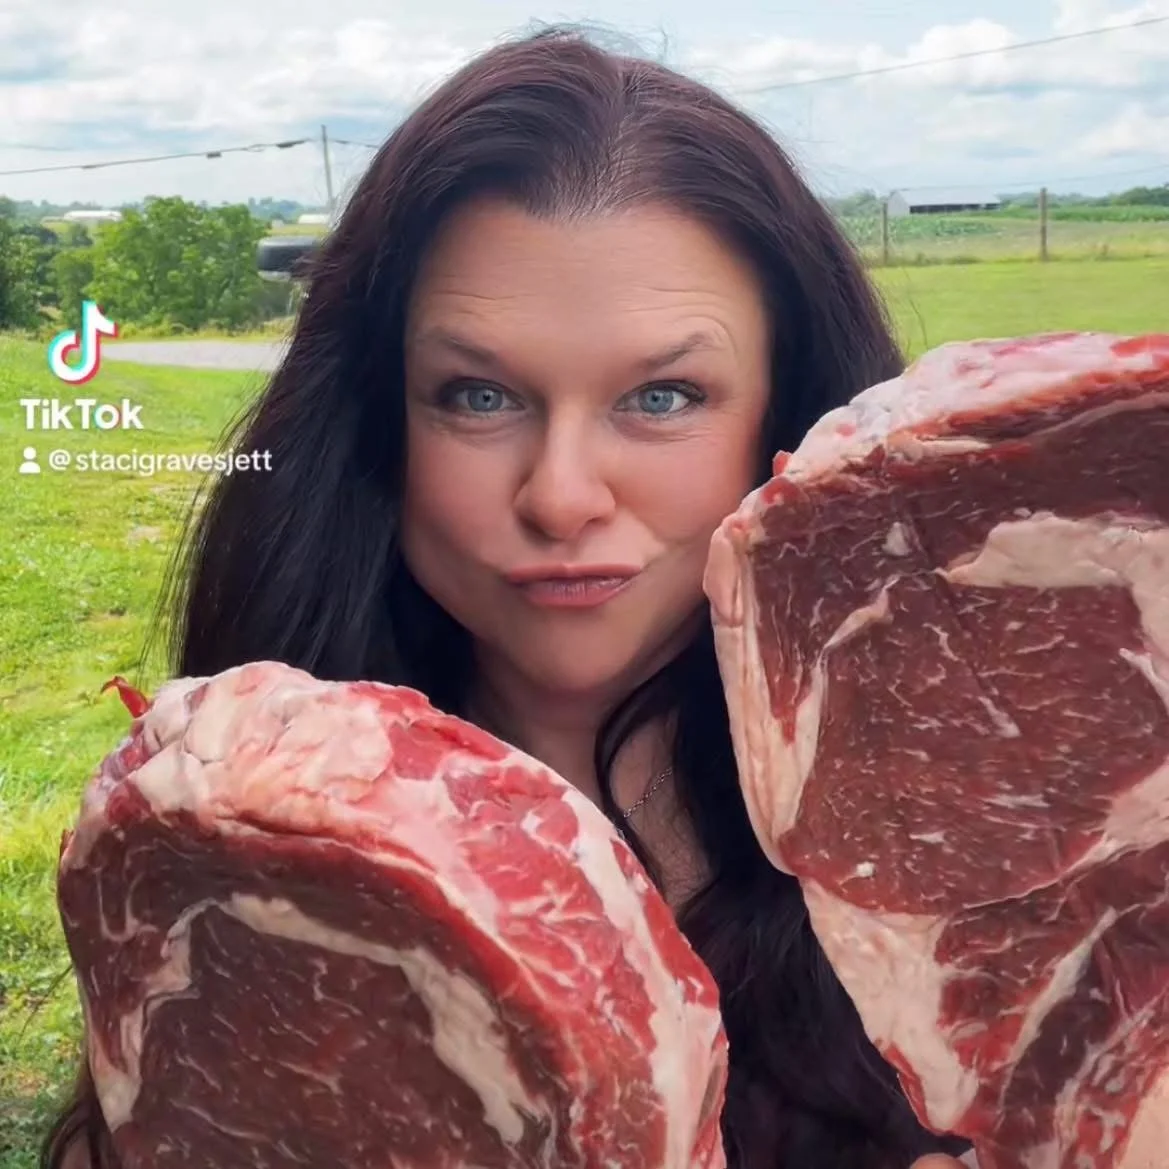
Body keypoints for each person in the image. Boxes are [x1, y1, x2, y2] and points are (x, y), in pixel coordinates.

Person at [43, 26, 973, 1169]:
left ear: (783, 417)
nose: (561, 495)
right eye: (477, 395)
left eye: (663, 396)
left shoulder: (975, 822)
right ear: (378, 418)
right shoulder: (244, 840)